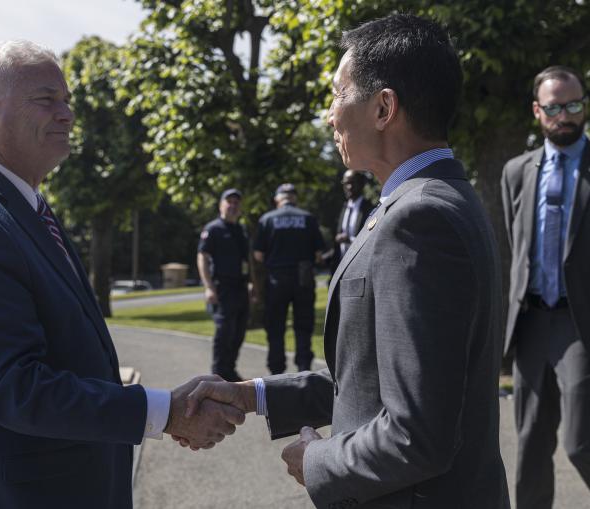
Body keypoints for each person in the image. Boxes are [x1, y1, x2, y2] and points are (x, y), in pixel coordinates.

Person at [185, 14, 509, 509]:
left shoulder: (419, 218)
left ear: (384, 108)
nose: (330, 115)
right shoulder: (434, 201)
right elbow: (371, 381)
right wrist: (251, 394)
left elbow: (416, 434)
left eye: (338, 93)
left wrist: (317, 461)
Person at [0, 40, 243, 509]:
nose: (66, 114)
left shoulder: (17, 205)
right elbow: (14, 388)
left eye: (67, 101)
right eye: (46, 100)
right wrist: (164, 413)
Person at [501, 65, 590, 509]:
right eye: (554, 107)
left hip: (580, 324)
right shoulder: (516, 172)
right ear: (538, 111)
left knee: (581, 442)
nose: (565, 116)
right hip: (532, 321)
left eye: (574, 105)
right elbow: (514, 250)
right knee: (531, 445)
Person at [253, 183, 325, 374]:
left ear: (277, 199)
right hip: (303, 279)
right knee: (303, 325)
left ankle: (276, 371)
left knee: (275, 326)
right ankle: (304, 368)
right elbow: (319, 254)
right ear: (294, 198)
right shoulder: (308, 218)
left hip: (276, 279)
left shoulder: (267, 219)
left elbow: (258, 255)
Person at [198, 188, 250, 382]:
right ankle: (217, 374)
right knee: (224, 333)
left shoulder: (241, 230)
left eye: (237, 202)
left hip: (241, 288)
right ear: (221, 205)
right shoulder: (213, 229)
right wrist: (209, 287)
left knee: (239, 332)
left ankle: (229, 370)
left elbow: (247, 261)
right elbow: (202, 257)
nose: (233, 205)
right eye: (229, 201)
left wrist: (251, 284)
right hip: (222, 289)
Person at [325, 169, 374, 274]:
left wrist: (350, 240)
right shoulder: (342, 208)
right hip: (341, 267)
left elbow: (372, 240)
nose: (349, 187)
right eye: (346, 183)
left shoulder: (370, 209)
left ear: (362, 184)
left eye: (353, 183)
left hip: (361, 267)